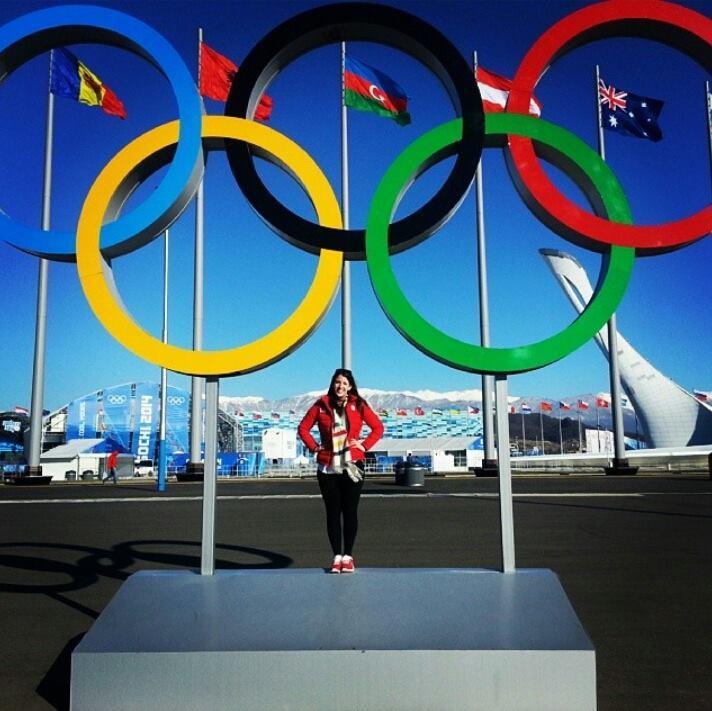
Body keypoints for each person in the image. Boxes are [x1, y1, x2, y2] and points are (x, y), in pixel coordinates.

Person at [298, 369, 383, 574]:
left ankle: (348, 556)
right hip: (328, 466)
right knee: (333, 513)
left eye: (345, 383)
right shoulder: (321, 405)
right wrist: (315, 446)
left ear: (350, 386)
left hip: (352, 465)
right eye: (338, 382)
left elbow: (378, 427)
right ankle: (336, 556)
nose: (341, 386)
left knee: (350, 511)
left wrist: (363, 446)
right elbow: (303, 428)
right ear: (332, 384)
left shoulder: (359, 405)